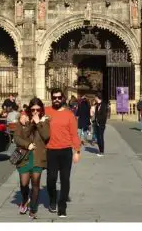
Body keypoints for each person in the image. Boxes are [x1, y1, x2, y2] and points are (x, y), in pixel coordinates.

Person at [44, 88, 81, 218]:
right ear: (51, 98)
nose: (57, 100)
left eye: (59, 97)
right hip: (51, 151)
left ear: (63, 98)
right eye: (54, 97)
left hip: (65, 151)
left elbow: (74, 134)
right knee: (51, 179)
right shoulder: (46, 111)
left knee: (65, 179)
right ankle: (53, 199)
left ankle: (62, 206)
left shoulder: (69, 114)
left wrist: (77, 150)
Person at [14, 98, 51, 219]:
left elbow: (46, 136)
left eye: (38, 109)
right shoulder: (23, 120)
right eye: (33, 109)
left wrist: (39, 123)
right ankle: (25, 199)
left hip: (38, 157)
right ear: (29, 110)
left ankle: (33, 209)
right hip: (24, 157)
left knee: (35, 184)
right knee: (24, 183)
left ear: (41, 110)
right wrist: (27, 126)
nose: (35, 112)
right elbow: (18, 138)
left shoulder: (45, 121)